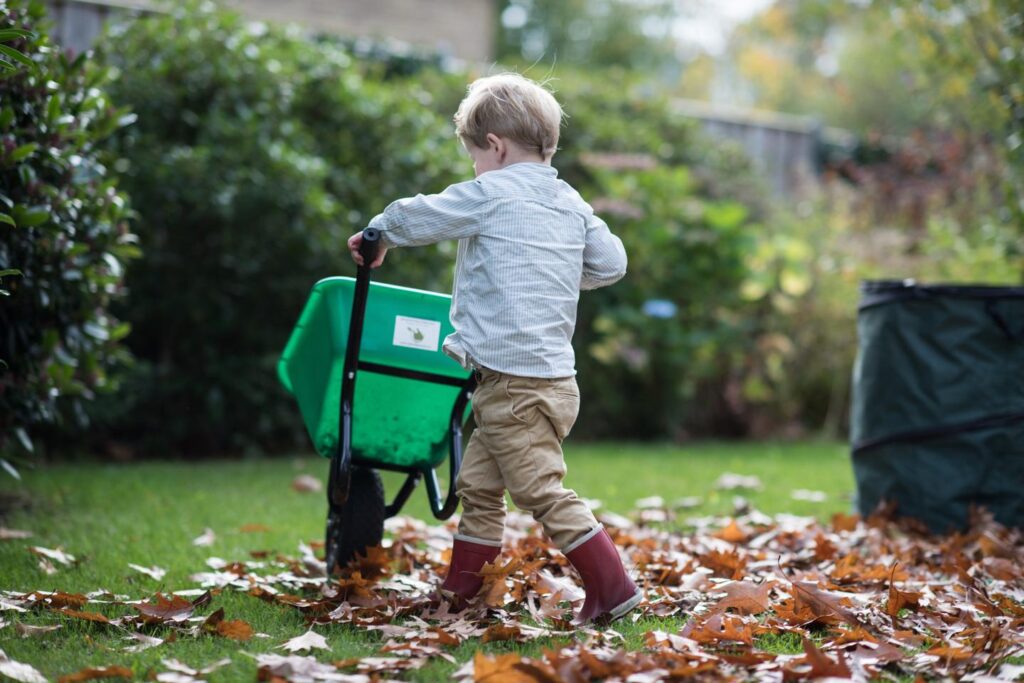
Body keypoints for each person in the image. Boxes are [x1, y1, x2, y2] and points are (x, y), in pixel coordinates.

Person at [347, 73, 640, 624]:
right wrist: (547, 267)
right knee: (479, 487)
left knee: (542, 492)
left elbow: (422, 214)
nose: (475, 168)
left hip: (514, 385)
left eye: (474, 157)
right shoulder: (570, 202)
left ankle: (613, 585)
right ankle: (461, 595)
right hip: (548, 381)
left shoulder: (491, 192)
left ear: (496, 147)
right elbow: (611, 263)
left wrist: (377, 233)